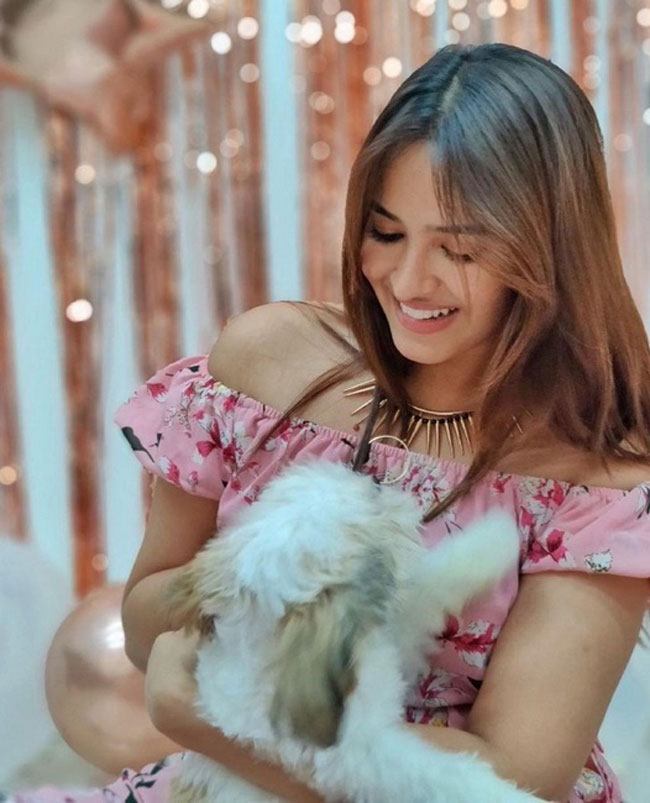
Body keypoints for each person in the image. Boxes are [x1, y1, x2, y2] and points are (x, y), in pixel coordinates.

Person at [13, 41, 650, 803]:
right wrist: (256, 581)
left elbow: (514, 776)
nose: (409, 280)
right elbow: (150, 619)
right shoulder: (267, 363)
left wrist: (210, 714)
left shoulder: (599, 477)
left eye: (460, 249)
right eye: (387, 233)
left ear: (550, 248)